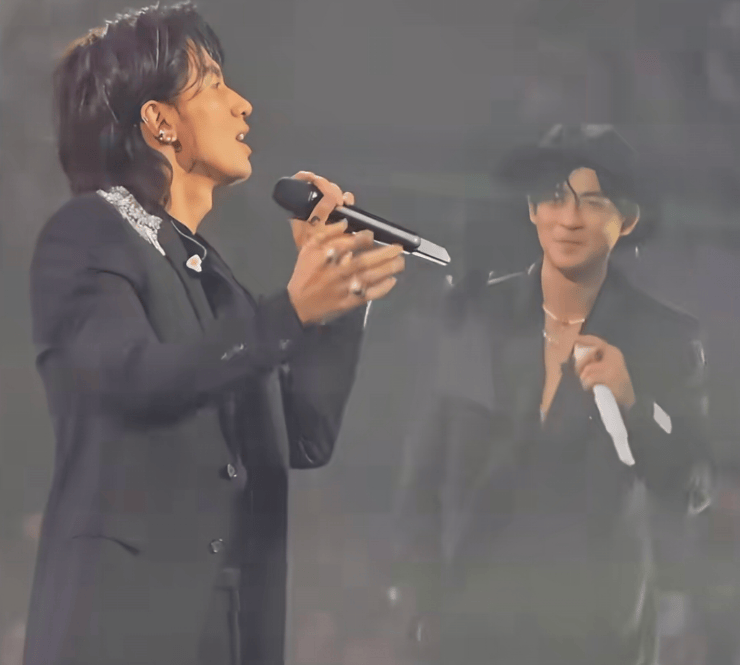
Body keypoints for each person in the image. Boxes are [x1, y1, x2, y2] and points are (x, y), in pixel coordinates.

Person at [23, 3, 405, 665]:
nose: (243, 104)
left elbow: (303, 437)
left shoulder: (212, 277)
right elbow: (136, 380)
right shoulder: (87, 233)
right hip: (124, 629)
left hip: (228, 629)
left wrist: (336, 296)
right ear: (160, 121)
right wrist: (288, 313)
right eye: (214, 84)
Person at [393, 124, 713, 665]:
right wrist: (423, 600)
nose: (569, 218)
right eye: (554, 197)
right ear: (532, 208)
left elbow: (692, 485)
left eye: (593, 201)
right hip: (474, 628)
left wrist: (632, 403)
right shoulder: (478, 316)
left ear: (627, 219)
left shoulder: (664, 336)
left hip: (597, 634)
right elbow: (422, 476)